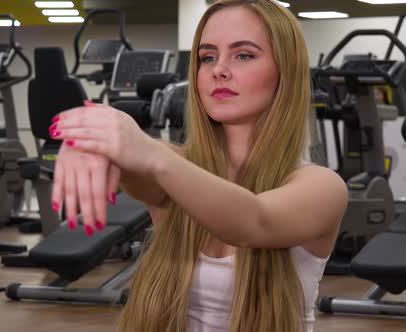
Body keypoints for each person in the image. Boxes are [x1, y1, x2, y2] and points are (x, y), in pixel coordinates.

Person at [48, 0, 348, 331]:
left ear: (285, 72)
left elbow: (254, 222)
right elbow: (137, 170)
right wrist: (94, 143)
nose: (219, 69)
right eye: (207, 57)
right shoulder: (172, 166)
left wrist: (146, 151)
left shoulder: (321, 187)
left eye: (243, 54)